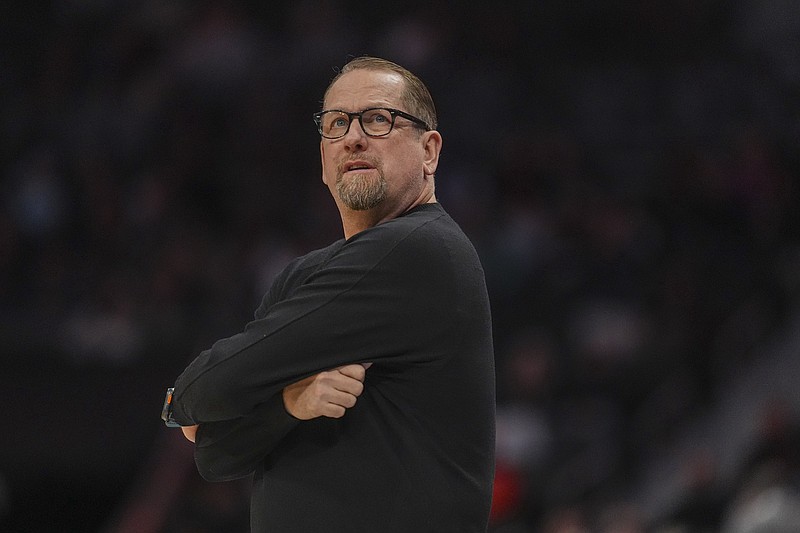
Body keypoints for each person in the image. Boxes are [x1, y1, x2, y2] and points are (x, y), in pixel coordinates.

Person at [162, 56, 496, 532]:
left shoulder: (419, 251)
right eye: (338, 123)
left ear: (429, 151)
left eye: (378, 119)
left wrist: (179, 401)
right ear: (323, 160)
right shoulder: (304, 275)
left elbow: (202, 393)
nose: (354, 137)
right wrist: (290, 404)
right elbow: (217, 456)